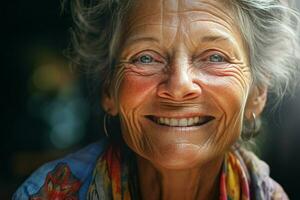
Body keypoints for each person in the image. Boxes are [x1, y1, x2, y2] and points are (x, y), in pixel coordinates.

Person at [14, 0, 300, 199]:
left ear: (257, 93)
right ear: (107, 88)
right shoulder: (44, 194)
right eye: (146, 57)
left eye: (215, 57)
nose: (178, 86)